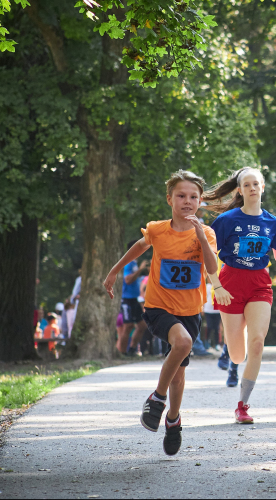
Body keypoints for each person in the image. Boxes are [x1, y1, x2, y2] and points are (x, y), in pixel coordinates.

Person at [103, 169, 219, 456]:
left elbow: (212, 269)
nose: (187, 201)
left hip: (190, 310)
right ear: (170, 199)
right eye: (181, 196)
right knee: (182, 343)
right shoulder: (158, 229)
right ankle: (157, 399)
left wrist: (200, 237)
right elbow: (138, 248)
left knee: (179, 372)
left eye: (193, 197)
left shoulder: (206, 233)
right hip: (159, 307)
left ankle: (173, 420)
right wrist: (114, 272)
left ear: (200, 201)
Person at [203, 167, 276, 425]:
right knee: (237, 355)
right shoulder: (227, 221)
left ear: (262, 187)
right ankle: (234, 348)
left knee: (257, 343)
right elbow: (209, 255)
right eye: (247, 185)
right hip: (229, 283)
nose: (252, 188)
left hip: (259, 284)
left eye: (256, 184)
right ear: (240, 190)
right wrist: (216, 285)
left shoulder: (272, 223)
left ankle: (242, 405)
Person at [119, 240, 150, 356]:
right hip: (126, 299)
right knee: (128, 326)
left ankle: (132, 349)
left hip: (134, 299)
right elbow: (128, 279)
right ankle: (122, 352)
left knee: (142, 325)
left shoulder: (134, 263)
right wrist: (140, 270)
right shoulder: (128, 263)